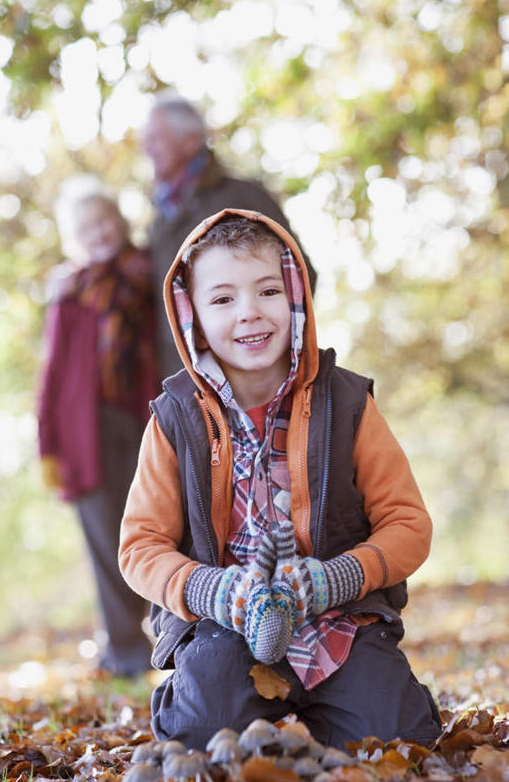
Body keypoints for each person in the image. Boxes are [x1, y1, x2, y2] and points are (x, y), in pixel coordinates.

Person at [118, 208, 442, 749]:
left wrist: (336, 577)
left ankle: (363, 700)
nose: (249, 313)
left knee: (398, 742)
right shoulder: (175, 419)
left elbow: (407, 523)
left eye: (267, 291)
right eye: (223, 299)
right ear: (190, 314)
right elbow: (139, 547)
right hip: (226, 622)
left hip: (337, 615)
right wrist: (212, 589)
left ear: (295, 297)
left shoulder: (347, 402)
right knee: (201, 735)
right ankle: (196, 700)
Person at [37, 180, 160, 677]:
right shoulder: (68, 294)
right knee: (103, 538)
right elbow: (51, 376)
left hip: (146, 418)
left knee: (156, 525)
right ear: (74, 238)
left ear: (121, 219)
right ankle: (125, 651)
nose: (100, 232)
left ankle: (173, 635)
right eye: (86, 227)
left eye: (105, 219)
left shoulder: (150, 274)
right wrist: (48, 447)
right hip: (85, 432)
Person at [138, 93, 318, 379]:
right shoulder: (160, 220)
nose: (146, 147)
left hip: (256, 381)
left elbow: (301, 273)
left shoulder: (242, 196)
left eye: (156, 138)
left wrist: (266, 355)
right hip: (187, 383)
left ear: (190, 140)